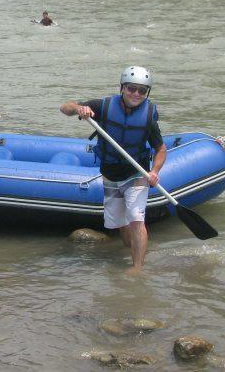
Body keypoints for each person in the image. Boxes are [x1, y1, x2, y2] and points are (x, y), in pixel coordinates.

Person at [59, 65, 166, 274]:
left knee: (136, 218)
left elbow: (160, 149)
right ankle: (135, 251)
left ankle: (137, 268)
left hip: (136, 174)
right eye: (131, 88)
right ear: (122, 88)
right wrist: (79, 109)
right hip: (110, 175)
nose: (136, 94)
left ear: (147, 93)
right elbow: (64, 107)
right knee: (121, 226)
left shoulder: (148, 116)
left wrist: (155, 171)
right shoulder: (104, 106)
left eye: (142, 90)